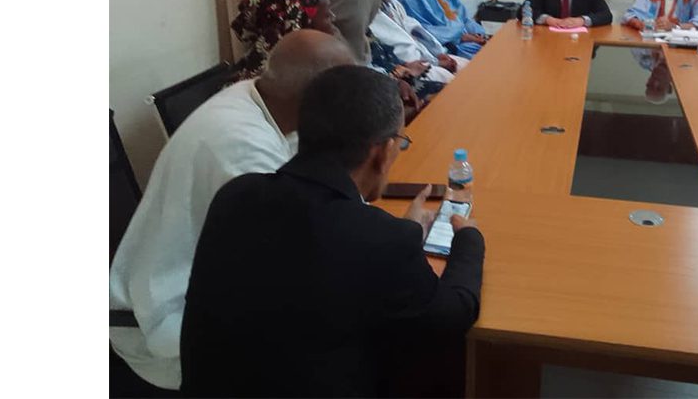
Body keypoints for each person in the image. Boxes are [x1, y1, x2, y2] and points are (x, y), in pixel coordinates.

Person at [180, 65, 485, 397]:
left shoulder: (235, 195)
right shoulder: (379, 240)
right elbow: (451, 317)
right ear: (382, 152)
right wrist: (468, 238)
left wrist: (402, 230)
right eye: (400, 142)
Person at [109, 30, 355, 391]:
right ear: (315, 101)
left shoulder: (259, 96)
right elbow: (300, 260)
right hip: (171, 328)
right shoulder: (243, 151)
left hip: (208, 291)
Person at [328, 0, 445, 107]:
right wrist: (401, 75)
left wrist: (403, 70)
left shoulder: (364, 32)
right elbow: (362, 86)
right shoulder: (331, 45)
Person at [362, 0, 467, 84]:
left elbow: (415, 30)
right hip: (408, 67)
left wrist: (437, 53)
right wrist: (435, 62)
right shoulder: (369, 17)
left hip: (427, 56)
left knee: (466, 66)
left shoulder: (392, 3)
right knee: (450, 79)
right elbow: (402, 48)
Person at [229, 0, 337, 79]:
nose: (334, 18)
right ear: (301, 21)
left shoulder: (250, 70)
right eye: (327, 15)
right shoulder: (295, 82)